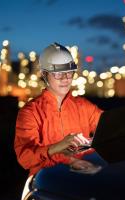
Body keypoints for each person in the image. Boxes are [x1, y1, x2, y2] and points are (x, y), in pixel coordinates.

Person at [14, 42, 102, 179]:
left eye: (69, 73)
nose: (66, 79)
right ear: (44, 74)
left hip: (82, 176)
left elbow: (111, 125)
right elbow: (25, 158)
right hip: (46, 183)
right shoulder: (30, 112)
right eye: (58, 74)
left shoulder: (83, 106)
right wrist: (58, 147)